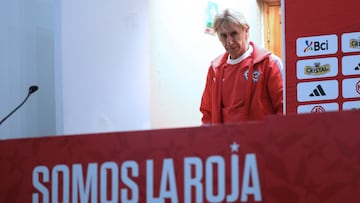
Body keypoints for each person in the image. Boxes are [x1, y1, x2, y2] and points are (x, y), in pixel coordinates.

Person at [200, 8, 283, 124]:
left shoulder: (268, 63)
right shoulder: (215, 70)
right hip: (226, 141)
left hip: (263, 140)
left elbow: (283, 108)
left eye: (234, 34)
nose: (229, 42)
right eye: (224, 36)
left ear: (246, 31)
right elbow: (207, 114)